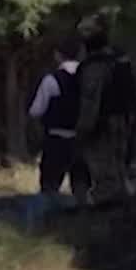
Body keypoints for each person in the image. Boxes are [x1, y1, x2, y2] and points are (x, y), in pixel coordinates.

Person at [74, 14, 136, 205]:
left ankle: (99, 222)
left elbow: (90, 102)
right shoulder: (118, 62)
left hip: (102, 129)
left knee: (106, 181)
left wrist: (81, 132)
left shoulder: (95, 67)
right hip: (122, 125)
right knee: (118, 176)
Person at [28, 37, 88, 195]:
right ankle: (83, 216)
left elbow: (36, 111)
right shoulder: (88, 79)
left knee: (50, 185)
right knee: (82, 186)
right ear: (81, 54)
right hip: (83, 140)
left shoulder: (51, 80)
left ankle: (50, 217)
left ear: (57, 55)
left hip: (56, 140)